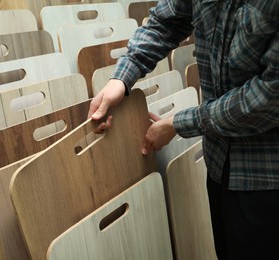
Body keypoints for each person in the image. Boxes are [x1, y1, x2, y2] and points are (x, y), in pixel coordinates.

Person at [87, 0, 279, 259]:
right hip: (220, 164)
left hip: (267, 179)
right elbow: (167, 21)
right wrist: (121, 78)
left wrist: (179, 123)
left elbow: (268, 98)